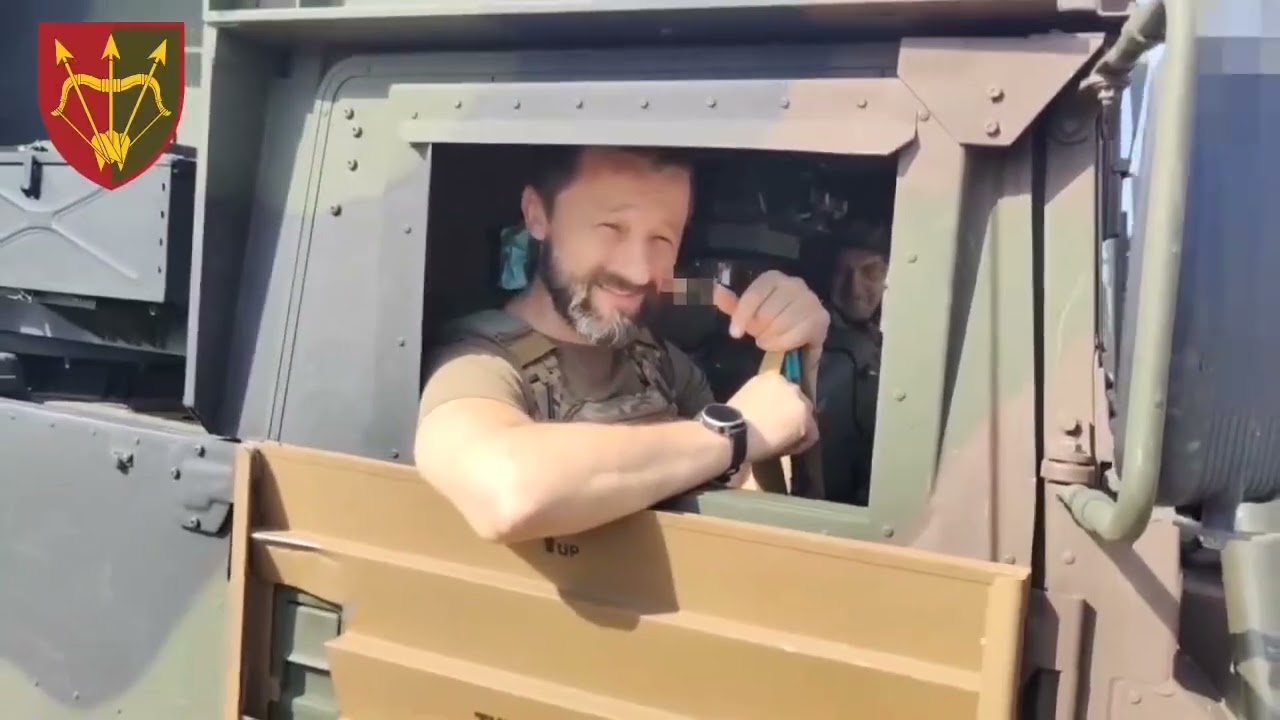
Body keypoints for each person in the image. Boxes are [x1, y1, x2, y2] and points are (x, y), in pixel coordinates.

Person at [414, 145, 830, 543]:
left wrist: (791, 354)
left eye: (662, 239)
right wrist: (733, 433)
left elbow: (748, 494)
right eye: (611, 228)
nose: (638, 271)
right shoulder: (477, 360)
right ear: (537, 215)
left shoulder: (660, 363)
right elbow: (508, 491)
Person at [813, 225, 888, 506]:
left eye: (870, 271)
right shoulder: (810, 343)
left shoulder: (893, 339)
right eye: (841, 272)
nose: (854, 289)